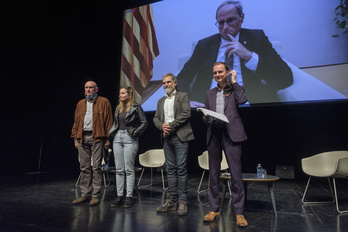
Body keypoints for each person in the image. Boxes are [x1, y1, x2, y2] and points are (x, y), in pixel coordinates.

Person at [177, 0, 293, 106]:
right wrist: (185, 101)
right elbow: (183, 76)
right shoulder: (205, 45)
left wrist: (249, 56)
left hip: (248, 102)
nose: (225, 27)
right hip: (208, 105)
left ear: (241, 18)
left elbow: (286, 77)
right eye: (221, 23)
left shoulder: (257, 38)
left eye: (231, 20)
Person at [202, 62, 248, 227]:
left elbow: (243, 100)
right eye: (215, 73)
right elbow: (206, 114)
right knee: (213, 174)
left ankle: (239, 213)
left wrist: (234, 82)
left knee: (236, 175)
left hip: (231, 134)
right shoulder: (209, 93)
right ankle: (214, 209)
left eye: (220, 72)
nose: (217, 75)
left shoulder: (234, 89)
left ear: (227, 72)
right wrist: (205, 116)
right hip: (214, 134)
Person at [153, 73, 194, 216]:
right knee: (170, 169)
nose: (166, 85)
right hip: (166, 138)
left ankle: (182, 201)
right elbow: (156, 118)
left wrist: (170, 126)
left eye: (168, 82)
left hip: (180, 137)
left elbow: (186, 114)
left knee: (181, 168)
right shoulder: (160, 101)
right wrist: (162, 127)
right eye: (164, 83)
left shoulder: (183, 96)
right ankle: (171, 201)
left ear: (175, 83)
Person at [71, 81, 113, 206]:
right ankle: (85, 194)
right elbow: (76, 122)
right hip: (82, 137)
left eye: (91, 88)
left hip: (97, 138)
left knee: (96, 168)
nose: (88, 90)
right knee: (84, 168)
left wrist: (107, 138)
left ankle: (95, 195)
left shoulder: (104, 101)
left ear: (96, 89)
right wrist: (75, 138)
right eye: (86, 88)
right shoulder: (80, 103)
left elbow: (109, 121)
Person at [109, 86, 148, 208]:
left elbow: (144, 122)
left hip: (129, 138)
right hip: (117, 138)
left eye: (123, 93)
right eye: (120, 93)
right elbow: (116, 123)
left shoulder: (136, 107)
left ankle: (129, 197)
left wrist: (134, 132)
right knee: (119, 169)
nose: (120, 95)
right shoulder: (118, 108)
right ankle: (119, 195)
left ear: (129, 95)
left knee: (129, 169)